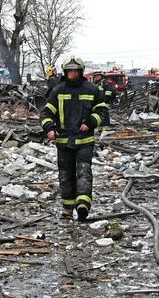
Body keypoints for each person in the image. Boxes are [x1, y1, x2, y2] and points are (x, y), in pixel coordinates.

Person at [40, 54, 109, 221]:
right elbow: (46, 113)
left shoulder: (92, 90)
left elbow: (102, 112)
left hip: (84, 140)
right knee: (65, 174)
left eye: (75, 71)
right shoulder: (58, 90)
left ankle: (83, 205)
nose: (72, 74)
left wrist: (92, 121)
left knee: (84, 171)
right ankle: (67, 208)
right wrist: (49, 128)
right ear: (65, 72)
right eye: (69, 72)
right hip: (63, 141)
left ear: (81, 71)